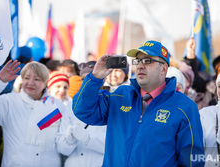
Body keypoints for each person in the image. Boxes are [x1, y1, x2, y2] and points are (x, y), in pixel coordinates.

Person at [72, 40, 204, 166]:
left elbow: (192, 161)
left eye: (147, 61)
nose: (140, 65)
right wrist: (95, 78)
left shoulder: (184, 107)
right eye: (138, 61)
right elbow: (83, 110)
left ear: (163, 69)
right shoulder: (121, 95)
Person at [0, 60, 67, 167]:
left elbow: (64, 143)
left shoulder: (57, 107)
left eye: (36, 79)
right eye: (26, 78)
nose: (30, 83)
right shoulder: (9, 102)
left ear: (45, 83)